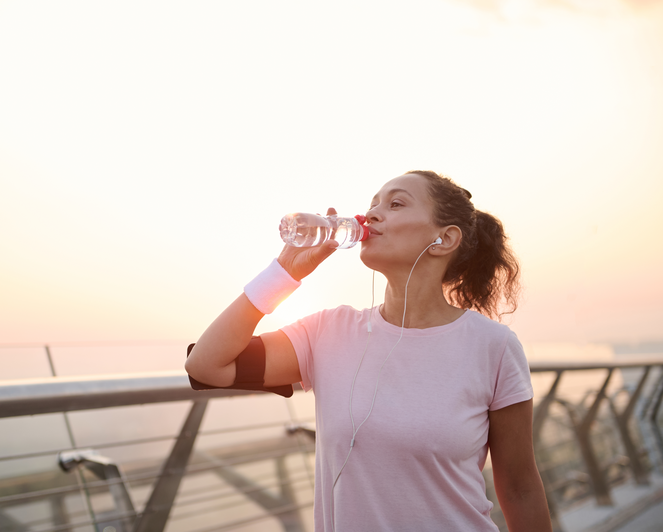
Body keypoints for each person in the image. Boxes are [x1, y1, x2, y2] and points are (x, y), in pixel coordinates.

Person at [185, 170, 552, 531]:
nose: (372, 214)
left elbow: (520, 488)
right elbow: (205, 365)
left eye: (395, 204)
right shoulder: (328, 331)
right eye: (372, 204)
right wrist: (284, 272)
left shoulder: (494, 347)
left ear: (444, 239)